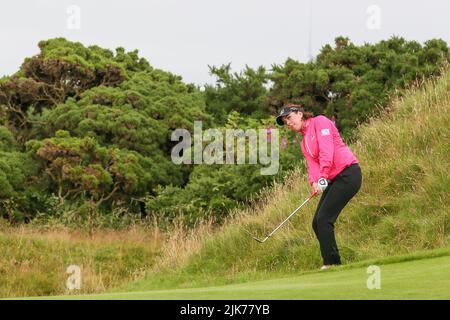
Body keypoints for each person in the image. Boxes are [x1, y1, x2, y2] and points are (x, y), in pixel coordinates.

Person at [275, 104, 362, 270]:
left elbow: (326, 151)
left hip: (348, 174)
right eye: (286, 121)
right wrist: (314, 182)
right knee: (317, 222)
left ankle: (332, 263)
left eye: (289, 118)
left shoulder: (320, 122)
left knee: (324, 219)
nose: (288, 123)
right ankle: (333, 262)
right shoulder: (304, 142)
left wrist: (322, 178)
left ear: (299, 114)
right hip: (334, 179)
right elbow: (311, 165)